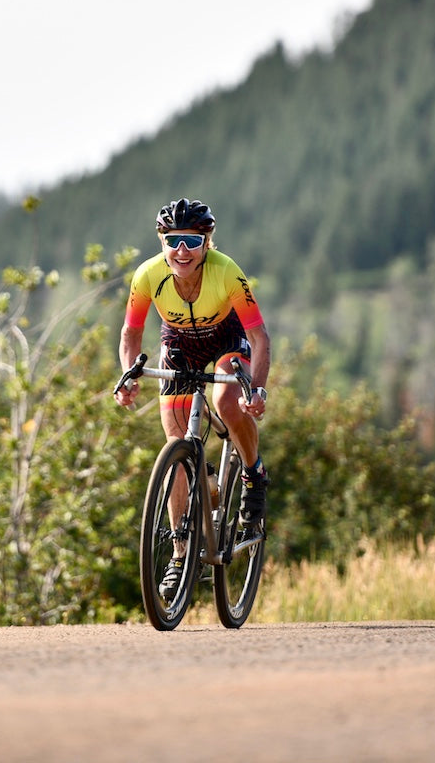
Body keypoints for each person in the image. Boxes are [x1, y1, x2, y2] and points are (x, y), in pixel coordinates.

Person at [114, 197, 272, 599]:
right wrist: (129, 374)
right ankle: (181, 554)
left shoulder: (227, 274)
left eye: (191, 240)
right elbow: (131, 335)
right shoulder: (148, 275)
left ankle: (253, 475)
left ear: (206, 243)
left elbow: (259, 337)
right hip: (179, 343)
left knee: (224, 402)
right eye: (172, 240)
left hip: (226, 339)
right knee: (175, 448)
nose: (181, 250)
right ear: (162, 242)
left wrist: (257, 388)